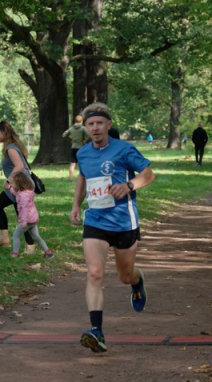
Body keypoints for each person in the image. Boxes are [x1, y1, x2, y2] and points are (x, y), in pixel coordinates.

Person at [70, 102, 156, 353]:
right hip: (95, 220)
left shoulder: (123, 149)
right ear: (85, 127)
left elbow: (149, 174)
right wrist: (76, 204)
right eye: (90, 124)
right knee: (94, 273)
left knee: (124, 275)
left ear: (108, 125)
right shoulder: (83, 153)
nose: (95, 128)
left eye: (99, 123)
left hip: (123, 222)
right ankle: (96, 331)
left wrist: (129, 186)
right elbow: (83, 178)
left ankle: (137, 281)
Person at [0, 121, 35, 253]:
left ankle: (30, 246)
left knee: (20, 215)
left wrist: (9, 180)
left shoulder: (11, 148)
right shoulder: (13, 146)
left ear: (4, 133)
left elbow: (20, 166)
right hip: (20, 185)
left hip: (20, 186)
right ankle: (4, 237)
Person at [6, 172, 53, 259]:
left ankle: (14, 254)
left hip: (27, 220)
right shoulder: (27, 192)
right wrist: (9, 188)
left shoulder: (23, 196)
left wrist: (23, 221)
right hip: (33, 219)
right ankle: (48, 252)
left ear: (19, 184)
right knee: (36, 236)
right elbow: (17, 194)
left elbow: (24, 209)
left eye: (13, 183)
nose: (12, 185)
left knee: (15, 235)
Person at [63, 115, 90, 180]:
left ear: (75, 121)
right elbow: (89, 135)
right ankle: (83, 177)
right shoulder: (83, 128)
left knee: (73, 163)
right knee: (83, 163)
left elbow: (64, 135)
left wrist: (71, 139)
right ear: (82, 121)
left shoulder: (71, 128)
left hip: (74, 147)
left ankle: (70, 178)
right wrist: (85, 140)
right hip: (81, 147)